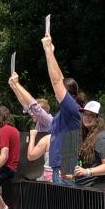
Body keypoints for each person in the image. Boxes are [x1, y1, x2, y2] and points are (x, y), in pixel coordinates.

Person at [42, 33, 83, 183]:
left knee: (69, 206)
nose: (55, 92)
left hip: (65, 169)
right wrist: (51, 53)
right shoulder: (64, 112)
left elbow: (57, 80)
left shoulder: (72, 109)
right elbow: (60, 78)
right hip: (59, 168)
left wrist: (47, 50)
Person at [73, 101, 105, 190]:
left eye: (91, 115)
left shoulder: (101, 137)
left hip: (98, 190)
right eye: (85, 114)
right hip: (85, 188)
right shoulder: (86, 135)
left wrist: (87, 171)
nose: (87, 118)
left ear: (98, 118)